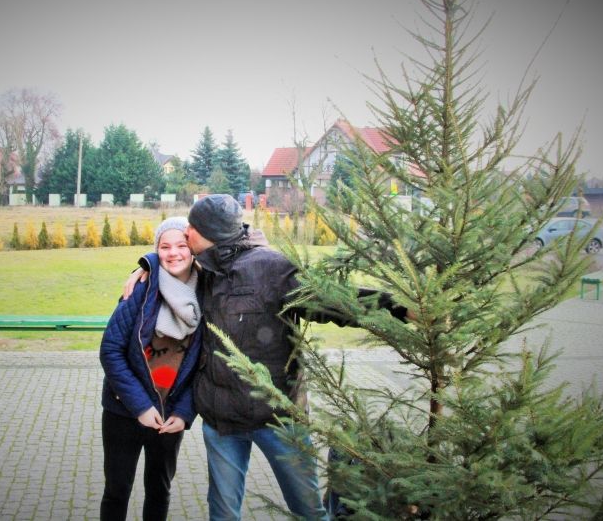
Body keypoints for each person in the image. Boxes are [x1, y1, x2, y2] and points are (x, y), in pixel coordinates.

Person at [124, 195, 408, 521]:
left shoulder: (272, 268)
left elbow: (332, 299)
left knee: (308, 511)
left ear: (211, 233)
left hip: (279, 419)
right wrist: (145, 266)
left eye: (192, 227)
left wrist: (399, 307)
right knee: (223, 515)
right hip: (221, 422)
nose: (187, 232)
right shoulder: (204, 269)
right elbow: (169, 261)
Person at [100, 216, 203, 521]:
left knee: (159, 491)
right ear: (157, 250)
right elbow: (111, 350)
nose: (174, 253)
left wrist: (184, 412)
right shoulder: (141, 288)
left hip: (169, 417)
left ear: (193, 249)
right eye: (164, 246)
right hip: (124, 411)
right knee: (117, 491)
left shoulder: (207, 295)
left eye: (181, 245)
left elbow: (204, 365)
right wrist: (140, 406)